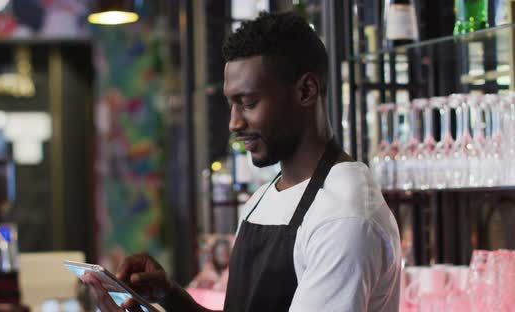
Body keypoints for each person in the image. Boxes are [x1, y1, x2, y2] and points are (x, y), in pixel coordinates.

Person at [82, 11, 401, 312]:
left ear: (306, 90)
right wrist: (170, 296)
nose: (234, 122)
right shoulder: (266, 196)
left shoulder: (342, 216)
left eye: (248, 103)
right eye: (231, 104)